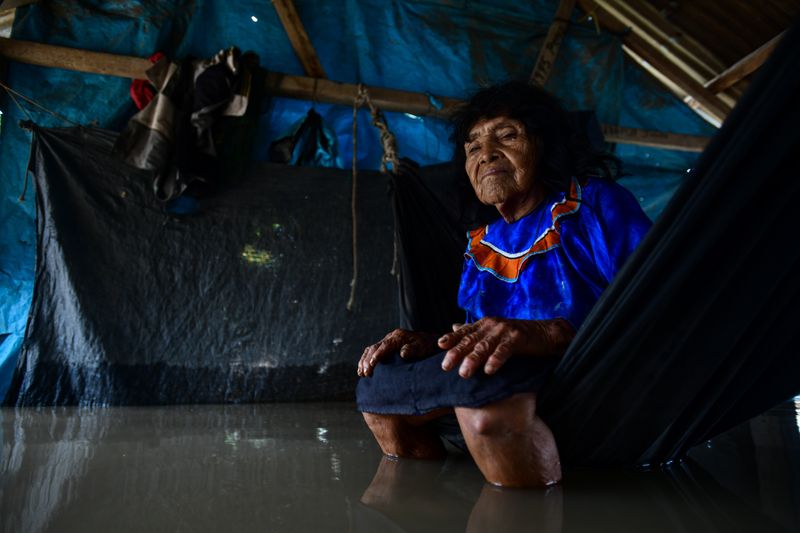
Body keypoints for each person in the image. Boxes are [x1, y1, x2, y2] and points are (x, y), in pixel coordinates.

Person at [355, 81, 653, 488]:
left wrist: (550, 332)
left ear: (543, 144)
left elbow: (655, 303)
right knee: (379, 386)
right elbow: (479, 335)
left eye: (507, 135)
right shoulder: (480, 245)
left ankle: (525, 508)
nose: (486, 154)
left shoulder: (595, 204)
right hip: (507, 374)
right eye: (473, 146)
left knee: (483, 398)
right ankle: (424, 508)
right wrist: (431, 342)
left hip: (589, 377)